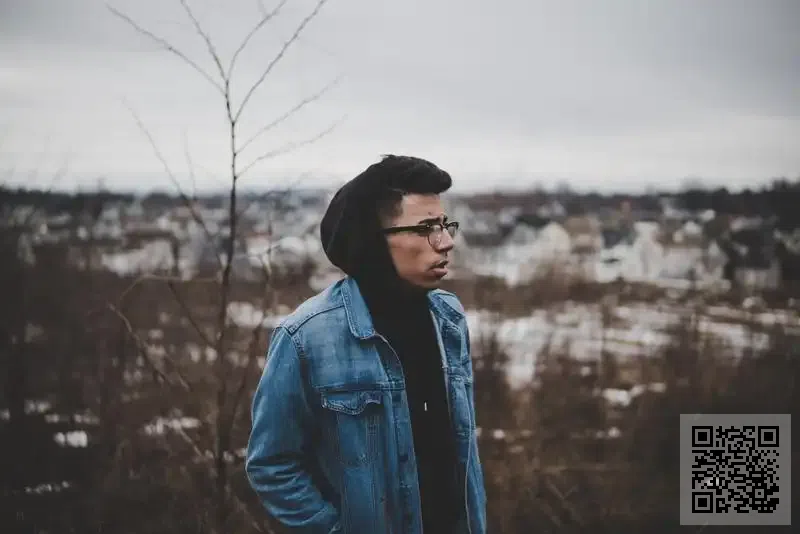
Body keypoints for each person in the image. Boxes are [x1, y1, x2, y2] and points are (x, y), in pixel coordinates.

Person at [245, 155, 486, 534]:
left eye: (444, 225)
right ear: (375, 240)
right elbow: (272, 464)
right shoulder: (305, 337)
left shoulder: (449, 319)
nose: (446, 242)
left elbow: (461, 451)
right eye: (427, 228)